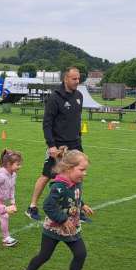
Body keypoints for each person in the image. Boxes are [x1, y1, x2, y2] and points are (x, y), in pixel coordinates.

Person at [20, 150, 94, 270]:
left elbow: (74, 197)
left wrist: (82, 205)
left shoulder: (76, 182)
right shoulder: (59, 186)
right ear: (68, 169)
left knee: (80, 253)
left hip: (71, 227)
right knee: (44, 255)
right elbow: (48, 206)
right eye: (82, 170)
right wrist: (63, 219)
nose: (84, 173)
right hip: (54, 229)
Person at [25, 67, 84, 221]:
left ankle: (76, 208)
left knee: (78, 175)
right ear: (66, 78)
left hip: (75, 144)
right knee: (47, 176)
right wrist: (51, 145)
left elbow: (76, 121)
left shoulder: (79, 96)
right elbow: (47, 123)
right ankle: (32, 207)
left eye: (78, 79)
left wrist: (79, 141)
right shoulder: (55, 97)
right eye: (74, 79)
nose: (77, 82)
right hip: (58, 146)